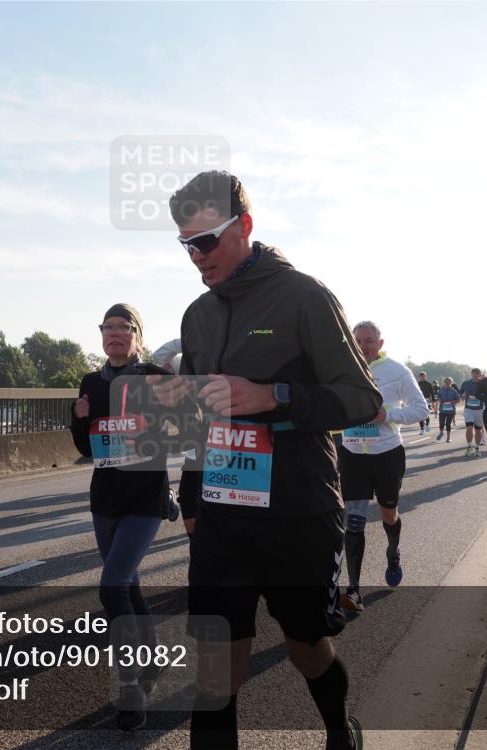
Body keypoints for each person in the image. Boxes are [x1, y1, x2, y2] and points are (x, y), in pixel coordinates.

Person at [153, 171, 378, 750]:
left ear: (244, 227)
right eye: (185, 244)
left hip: (297, 513)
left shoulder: (305, 295)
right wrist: (192, 496)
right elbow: (205, 416)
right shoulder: (196, 316)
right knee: (216, 672)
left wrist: (274, 396)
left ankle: (338, 728)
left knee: (306, 647)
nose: (195, 256)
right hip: (223, 518)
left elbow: (361, 400)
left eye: (205, 241)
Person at [70, 303, 171, 731]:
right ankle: (154, 658)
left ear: (137, 335)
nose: (114, 333)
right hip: (105, 495)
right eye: (107, 327)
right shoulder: (91, 380)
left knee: (111, 589)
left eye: (123, 327)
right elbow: (86, 446)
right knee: (128, 584)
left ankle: (129, 686)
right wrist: (77, 419)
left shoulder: (155, 376)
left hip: (145, 496)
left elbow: (182, 428)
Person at [337, 322, 428, 614]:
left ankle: (393, 553)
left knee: (389, 513)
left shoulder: (397, 371)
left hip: (387, 454)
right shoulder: (342, 368)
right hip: (352, 454)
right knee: (354, 520)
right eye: (358, 341)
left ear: (380, 342)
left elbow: (421, 409)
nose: (364, 347)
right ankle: (353, 589)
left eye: (369, 341)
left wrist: (388, 414)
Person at [459, 368, 485, 457]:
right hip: (469, 409)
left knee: (478, 430)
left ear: (479, 375)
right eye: (473, 373)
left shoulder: (483, 384)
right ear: (471, 374)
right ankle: (469, 446)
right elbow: (461, 393)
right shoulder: (466, 383)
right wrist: (462, 396)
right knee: (469, 428)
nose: (475, 375)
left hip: (479, 410)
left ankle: (477, 448)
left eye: (477, 373)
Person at [436, 377, 460, 442]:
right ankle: (441, 432)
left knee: (448, 424)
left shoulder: (454, 391)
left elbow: (458, 400)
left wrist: (453, 402)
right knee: (441, 423)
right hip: (442, 410)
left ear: (451, 383)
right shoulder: (441, 390)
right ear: (444, 383)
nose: (447, 383)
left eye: (449, 382)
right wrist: (439, 399)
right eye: (446, 382)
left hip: (451, 411)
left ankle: (448, 437)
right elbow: (438, 397)